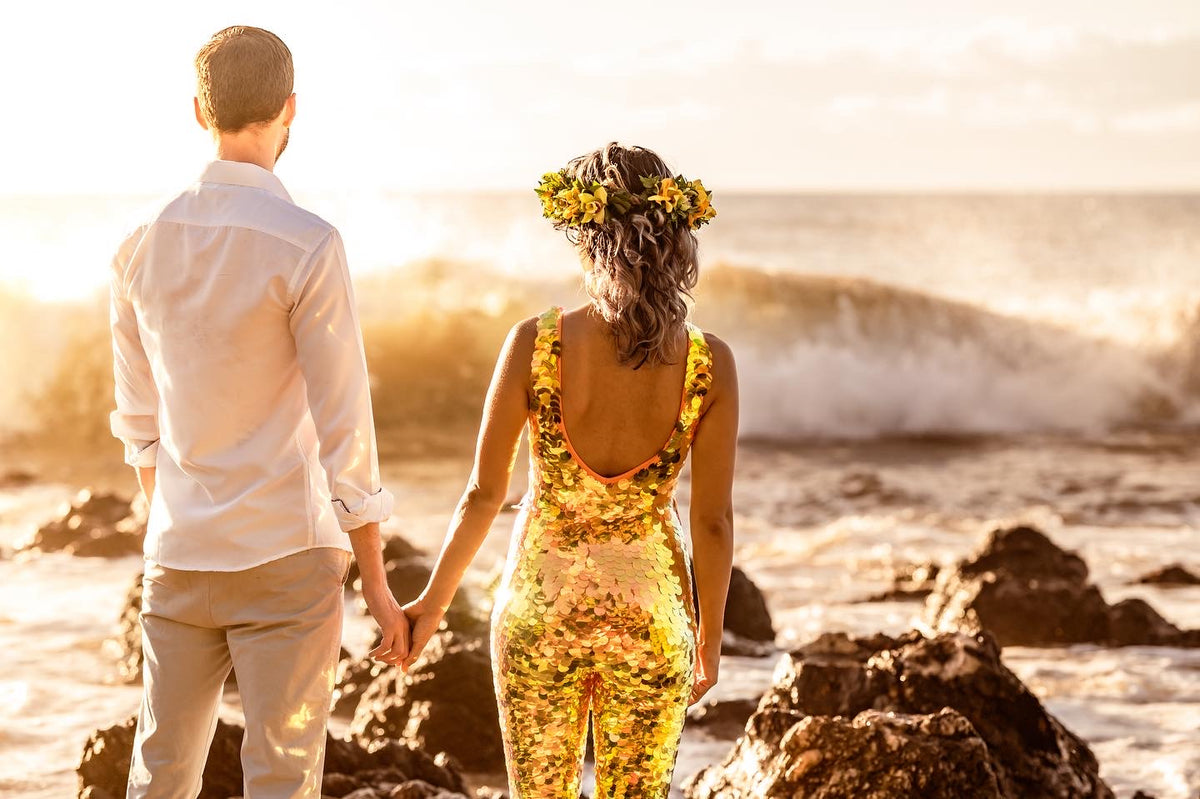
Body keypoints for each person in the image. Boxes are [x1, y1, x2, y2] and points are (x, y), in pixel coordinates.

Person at [108, 26, 409, 798]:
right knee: (280, 779)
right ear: (290, 108)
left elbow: (139, 422)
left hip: (178, 553)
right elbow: (346, 424)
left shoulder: (138, 242)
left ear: (198, 110)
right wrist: (375, 580)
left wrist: (176, 523)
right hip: (286, 556)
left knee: (160, 775)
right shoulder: (308, 243)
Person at [399, 143, 737, 797]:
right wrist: (710, 641)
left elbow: (482, 494)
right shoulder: (709, 361)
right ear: (672, 236)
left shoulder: (537, 342)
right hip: (651, 615)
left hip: (538, 610)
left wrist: (431, 607)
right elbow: (714, 522)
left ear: (587, 237)